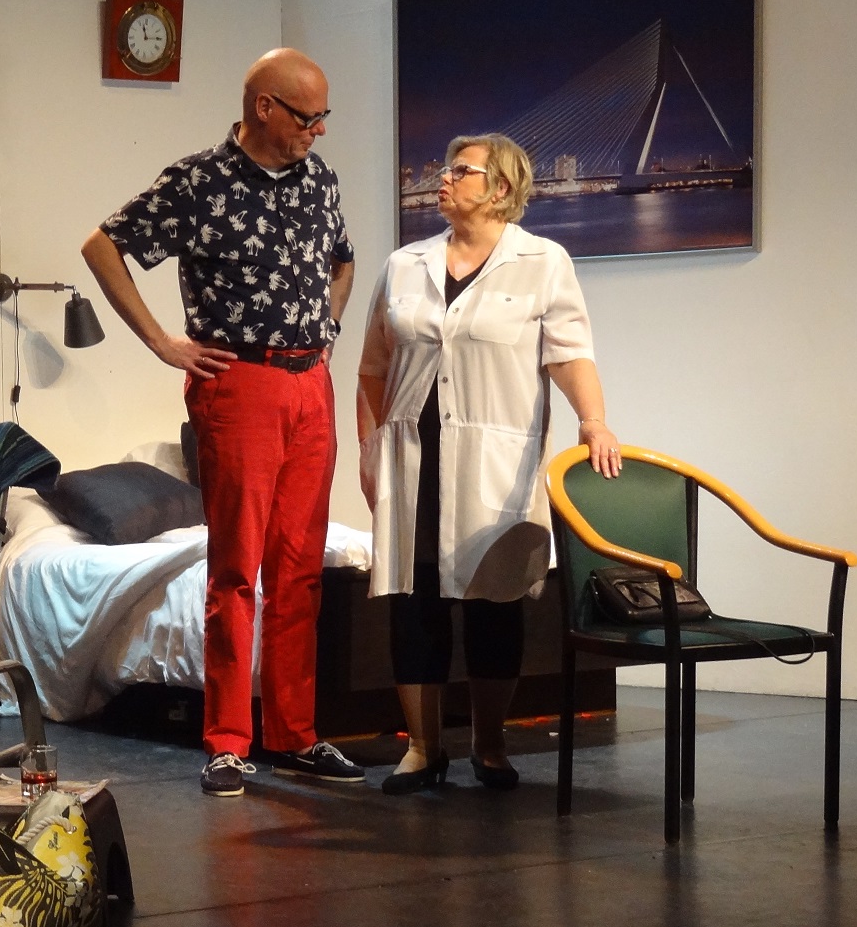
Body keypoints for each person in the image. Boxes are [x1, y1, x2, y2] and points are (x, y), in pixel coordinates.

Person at [80, 48, 363, 798]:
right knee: (237, 567)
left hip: (311, 383)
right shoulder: (197, 182)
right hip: (239, 382)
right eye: (307, 117)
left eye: (324, 118)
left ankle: (295, 733)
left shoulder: (320, 180)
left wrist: (329, 329)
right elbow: (102, 246)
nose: (318, 132)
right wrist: (161, 341)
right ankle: (229, 741)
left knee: (301, 567)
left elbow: (343, 261)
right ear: (263, 107)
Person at [356, 133, 620, 794]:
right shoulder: (404, 264)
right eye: (446, 169)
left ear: (501, 187)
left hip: (495, 460)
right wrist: (369, 449)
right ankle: (422, 750)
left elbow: (569, 353)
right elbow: (372, 368)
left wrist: (593, 420)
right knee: (414, 602)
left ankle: (490, 744)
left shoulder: (543, 262)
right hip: (413, 458)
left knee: (494, 602)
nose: (443, 179)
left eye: (460, 171)